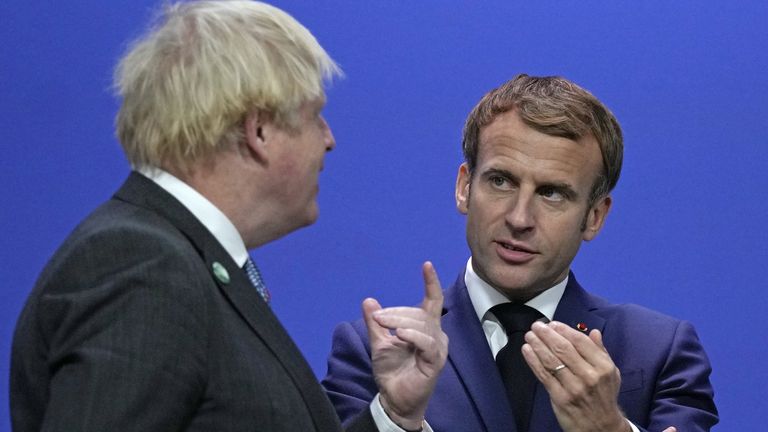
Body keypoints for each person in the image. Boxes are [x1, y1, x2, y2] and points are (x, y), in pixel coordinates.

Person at [9, 2, 448, 431]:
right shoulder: (145, 268)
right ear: (258, 130)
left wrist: (393, 416)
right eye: (315, 115)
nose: (329, 140)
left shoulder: (183, 262)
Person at [322, 74, 718, 432]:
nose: (519, 217)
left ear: (594, 217)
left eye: (552, 193)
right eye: (501, 181)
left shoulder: (658, 350)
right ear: (464, 187)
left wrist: (608, 429)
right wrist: (396, 419)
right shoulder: (379, 351)